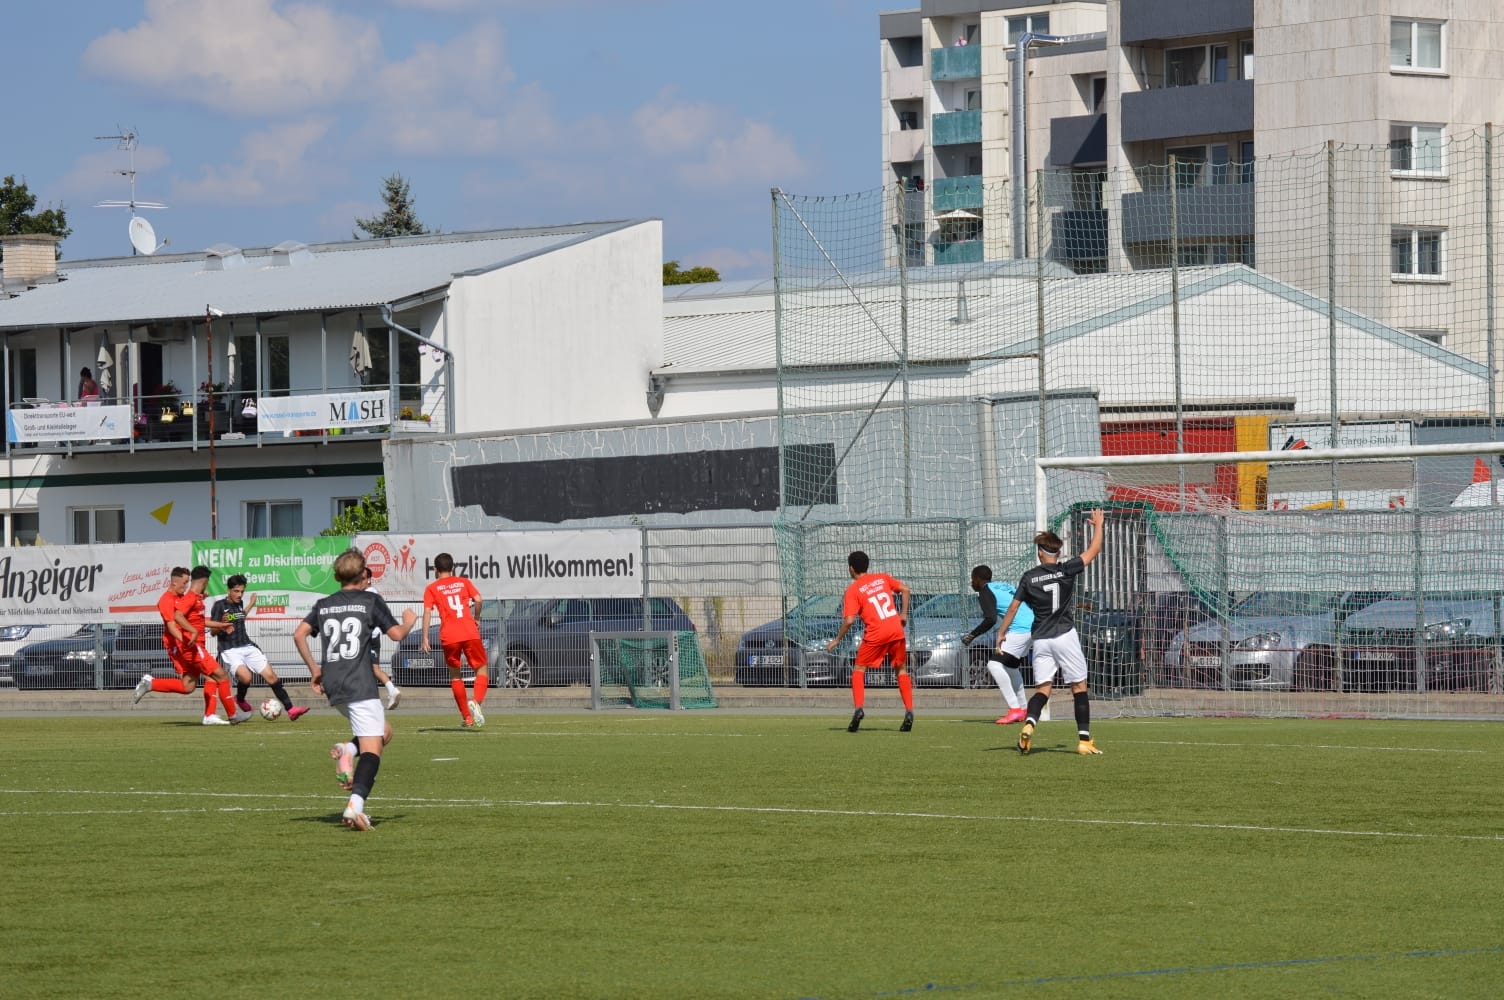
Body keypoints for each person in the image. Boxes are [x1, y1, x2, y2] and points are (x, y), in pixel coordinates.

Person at [293, 548, 417, 831]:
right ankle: (355, 806)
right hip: (359, 682)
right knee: (373, 750)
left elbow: (299, 634)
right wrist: (410, 621)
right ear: (363, 574)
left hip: (333, 683)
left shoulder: (324, 604)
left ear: (337, 577)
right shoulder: (370, 601)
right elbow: (397, 634)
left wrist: (314, 669)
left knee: (384, 731)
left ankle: (347, 748)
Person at [998, 510, 1107, 755]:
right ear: (1057, 553)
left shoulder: (1029, 578)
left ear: (1040, 553)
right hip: (1065, 635)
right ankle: (1084, 741)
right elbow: (1094, 550)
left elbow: (1013, 608)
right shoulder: (1067, 569)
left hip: (1041, 640)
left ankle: (1029, 724)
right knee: (1079, 687)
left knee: (1043, 690)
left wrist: (1001, 633)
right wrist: (1098, 525)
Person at [133, 566, 249, 725]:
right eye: (184, 582)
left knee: (188, 686)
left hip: (189, 645)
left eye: (188, 582)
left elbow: (197, 620)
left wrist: (220, 625)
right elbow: (174, 623)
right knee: (219, 675)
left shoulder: (187, 597)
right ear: (174, 582)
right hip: (182, 646)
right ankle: (229, 715)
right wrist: (189, 637)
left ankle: (152, 684)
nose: (186, 585)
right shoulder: (169, 600)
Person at [826, 550, 913, 733]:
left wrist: (837, 639)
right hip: (896, 629)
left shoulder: (853, 590)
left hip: (876, 633)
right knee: (901, 669)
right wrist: (903, 614)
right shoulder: (882, 578)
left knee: (859, 669)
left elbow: (849, 620)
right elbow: (905, 589)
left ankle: (858, 708)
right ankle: (909, 711)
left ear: (851, 569)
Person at [210, 573, 308, 721]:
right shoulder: (219, 606)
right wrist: (222, 626)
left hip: (247, 646)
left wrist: (251, 603)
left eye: (242, 591)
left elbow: (241, 615)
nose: (239, 594)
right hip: (230, 649)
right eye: (236, 591)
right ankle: (240, 699)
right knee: (246, 677)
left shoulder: (239, 603)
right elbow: (212, 632)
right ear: (228, 590)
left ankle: (291, 709)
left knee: (271, 676)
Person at [421, 552, 488, 728]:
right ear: (453, 568)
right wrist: (477, 617)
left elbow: (427, 611)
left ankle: (467, 717)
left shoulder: (432, 588)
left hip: (449, 636)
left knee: (455, 675)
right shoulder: (463, 582)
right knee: (481, 669)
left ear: (435, 569)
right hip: (469, 631)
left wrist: (425, 637)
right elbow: (478, 599)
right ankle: (476, 701)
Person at [962, 564, 1032, 725]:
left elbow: (990, 619)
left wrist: (972, 635)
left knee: (993, 665)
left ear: (978, 579)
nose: (972, 583)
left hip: (1020, 629)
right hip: (1033, 625)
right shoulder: (1002, 586)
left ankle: (1014, 708)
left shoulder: (985, 591)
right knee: (1011, 668)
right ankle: (1023, 709)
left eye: (972, 580)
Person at [360, 567, 402, 709]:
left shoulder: (370, 594)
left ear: (369, 580)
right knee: (373, 669)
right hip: (370, 636)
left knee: (370, 669)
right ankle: (390, 691)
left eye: (362, 578)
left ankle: (388, 691)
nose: (359, 581)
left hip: (369, 637)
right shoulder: (367, 593)